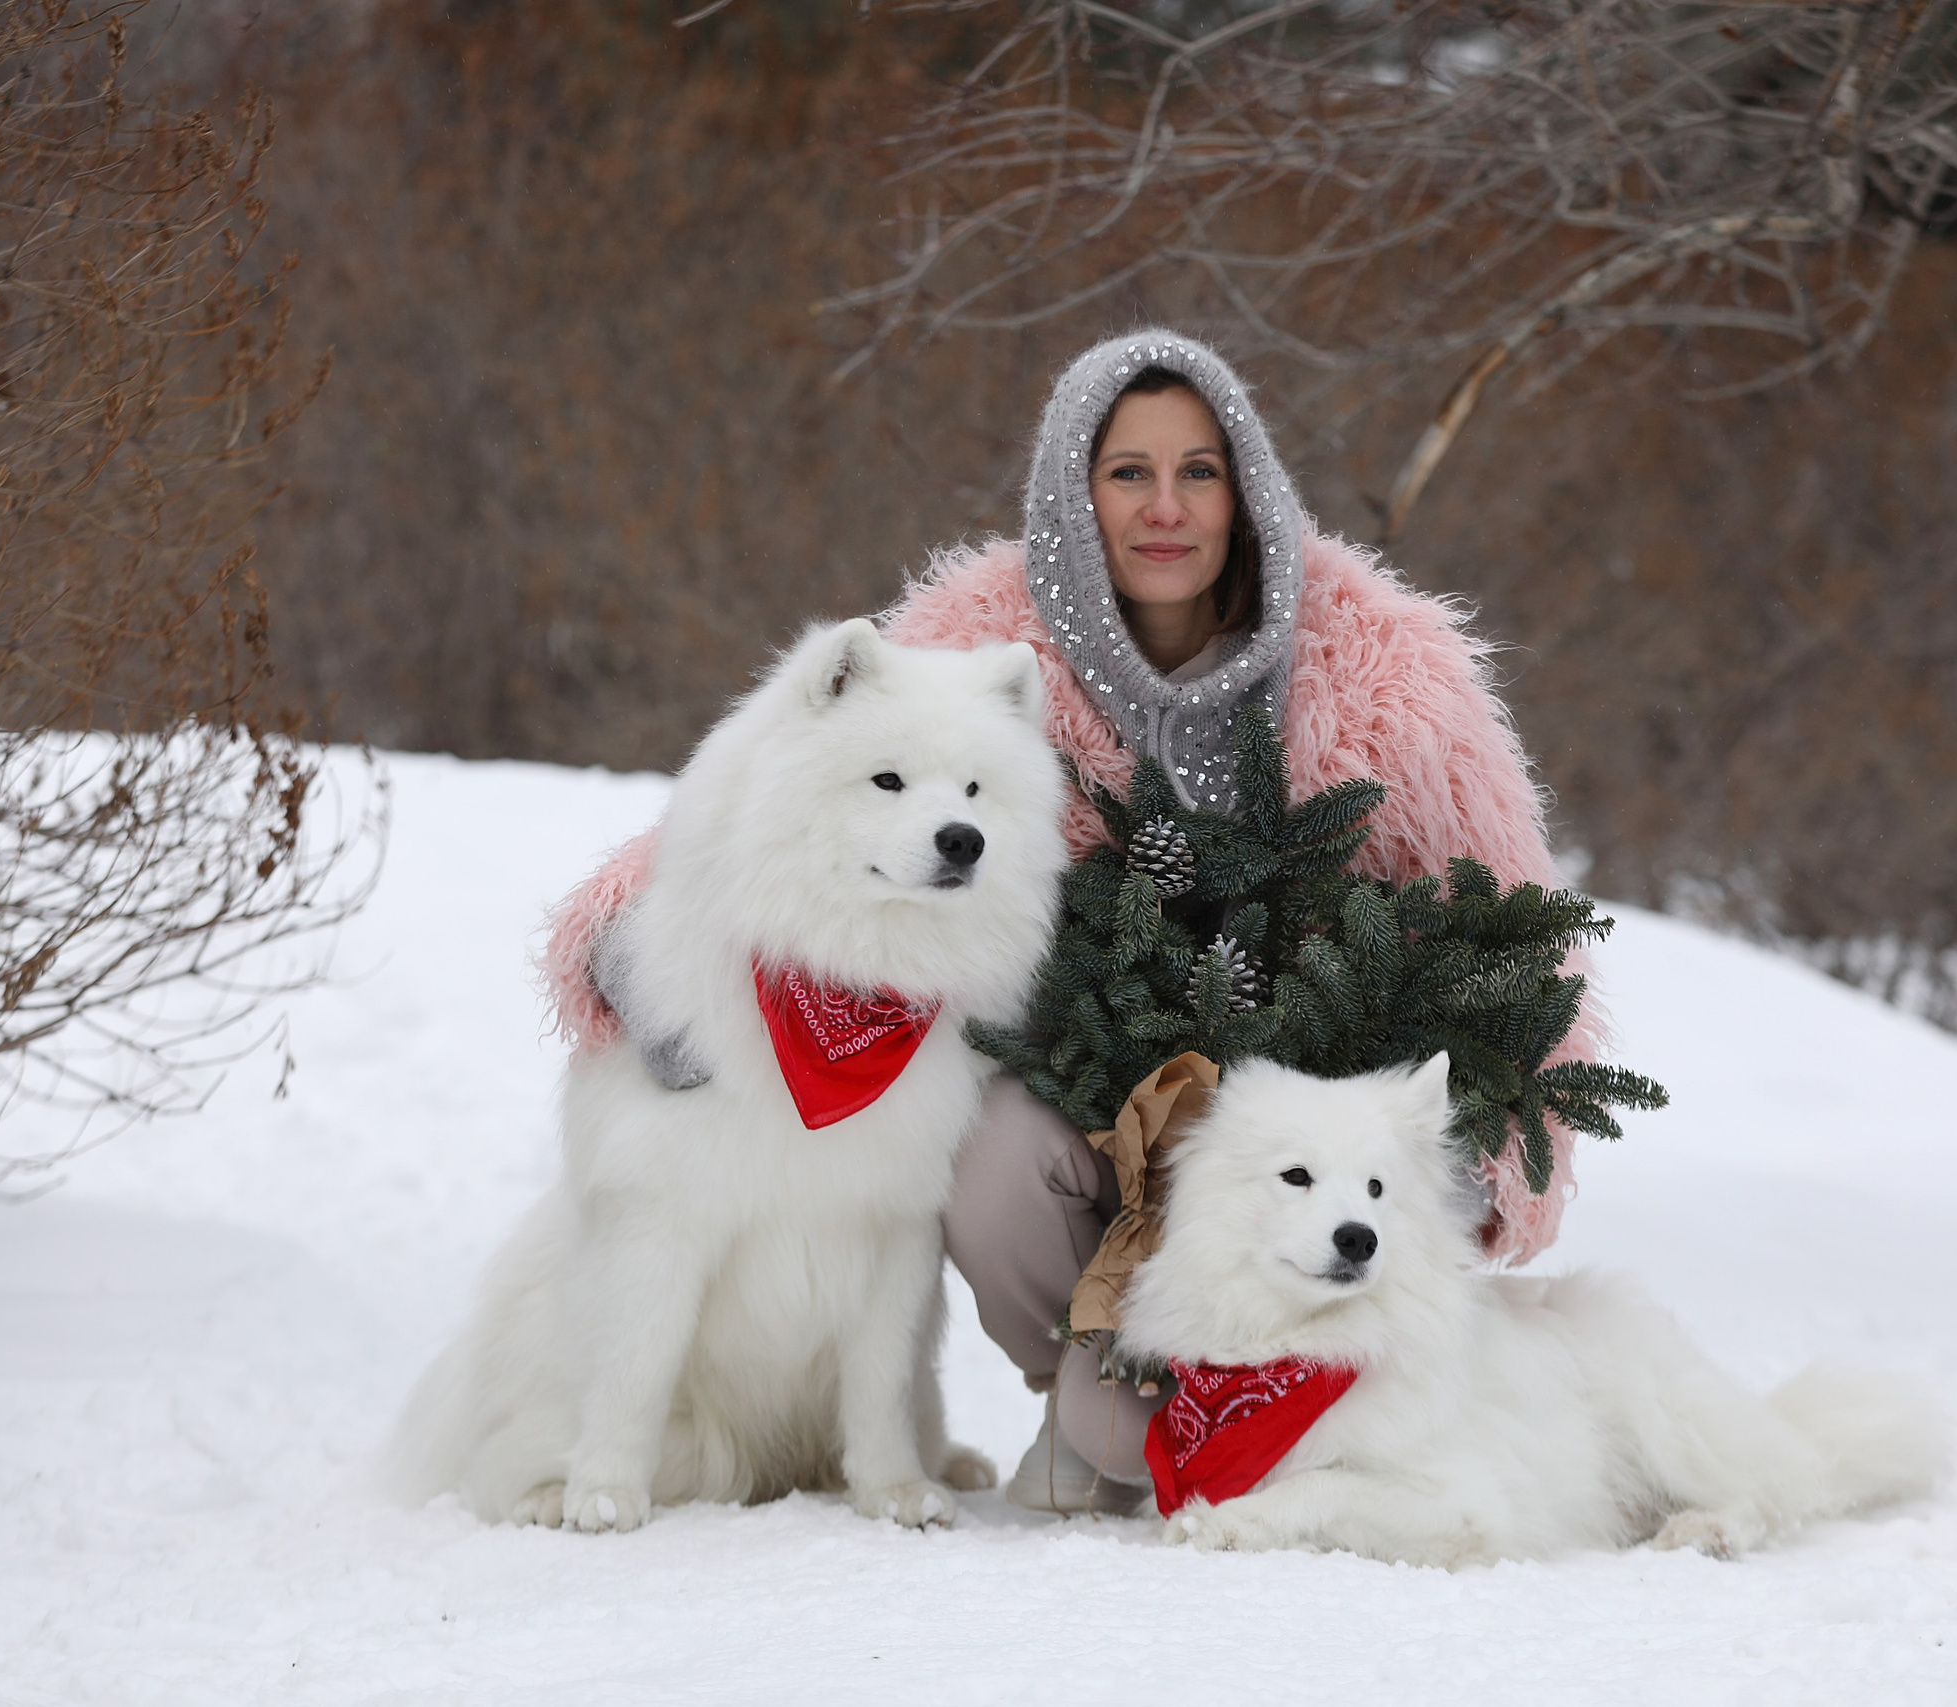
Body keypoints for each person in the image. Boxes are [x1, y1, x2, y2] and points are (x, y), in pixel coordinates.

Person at [540, 330, 1600, 1516]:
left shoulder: (1387, 675)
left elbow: (1518, 926)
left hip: (1318, 1120)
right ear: (1072, 493)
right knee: (979, 1153)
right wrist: (635, 946)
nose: (1166, 507)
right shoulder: (984, 635)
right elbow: (805, 771)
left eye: (1199, 472)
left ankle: (1310, 1429)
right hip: (1094, 1099)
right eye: (1126, 473)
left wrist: (1494, 1153)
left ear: (1245, 492)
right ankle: (1109, 1412)